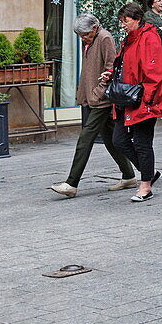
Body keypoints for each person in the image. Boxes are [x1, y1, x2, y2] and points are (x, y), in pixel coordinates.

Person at [49, 14, 137, 198]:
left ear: (95, 28)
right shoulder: (91, 40)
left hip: (102, 100)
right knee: (112, 139)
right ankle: (130, 175)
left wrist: (98, 91)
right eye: (80, 35)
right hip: (93, 98)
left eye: (85, 34)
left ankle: (71, 183)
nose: (83, 38)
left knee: (85, 138)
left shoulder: (104, 38)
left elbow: (111, 67)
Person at [107, 2, 162, 202]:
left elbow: (156, 72)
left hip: (142, 99)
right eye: (121, 21)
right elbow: (124, 65)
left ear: (137, 19)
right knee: (119, 140)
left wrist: (148, 100)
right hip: (127, 97)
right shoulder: (130, 39)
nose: (122, 25)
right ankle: (148, 172)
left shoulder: (149, 38)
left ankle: (145, 186)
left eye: (125, 21)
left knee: (142, 143)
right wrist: (109, 75)